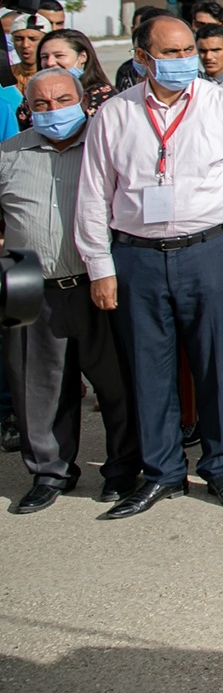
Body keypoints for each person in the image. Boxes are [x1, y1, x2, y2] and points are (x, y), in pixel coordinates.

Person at [75, 14, 223, 518]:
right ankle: (163, 472)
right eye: (171, 53)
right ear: (142, 58)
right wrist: (100, 267)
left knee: (214, 366)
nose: (184, 61)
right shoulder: (114, 115)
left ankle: (221, 466)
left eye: (189, 51)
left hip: (207, 250)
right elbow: (94, 194)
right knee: (148, 370)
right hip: (136, 256)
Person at [2, 69, 142, 512]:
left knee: (116, 382)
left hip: (97, 283)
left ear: (83, 101)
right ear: (28, 110)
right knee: (38, 388)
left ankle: (122, 469)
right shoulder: (8, 154)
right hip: (29, 287)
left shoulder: (105, 148)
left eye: (62, 100)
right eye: (41, 104)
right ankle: (50, 472)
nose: (53, 111)